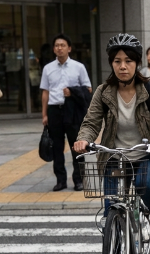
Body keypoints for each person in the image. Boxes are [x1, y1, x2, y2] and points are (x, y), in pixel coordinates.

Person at [74, 34, 150, 254]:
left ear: (136, 63)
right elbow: (91, 122)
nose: (122, 66)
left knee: (145, 184)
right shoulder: (103, 92)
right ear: (111, 63)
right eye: (117, 61)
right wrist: (83, 139)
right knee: (112, 210)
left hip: (147, 153)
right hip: (115, 156)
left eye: (128, 61)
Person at [40, 34, 92, 191]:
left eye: (62, 45)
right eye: (57, 45)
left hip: (72, 110)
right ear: (53, 49)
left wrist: (72, 92)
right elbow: (45, 92)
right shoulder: (48, 68)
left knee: (77, 146)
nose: (59, 48)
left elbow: (88, 89)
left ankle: (78, 180)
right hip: (54, 110)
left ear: (69, 48)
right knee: (57, 147)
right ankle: (60, 180)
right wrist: (44, 114)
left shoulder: (78, 67)